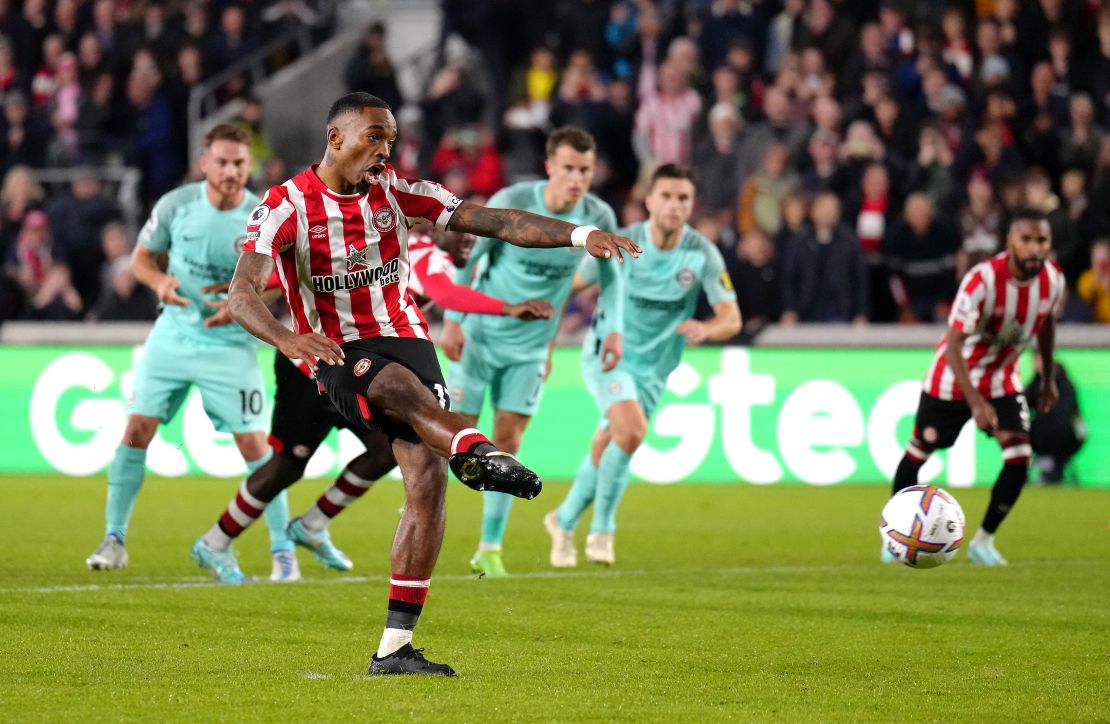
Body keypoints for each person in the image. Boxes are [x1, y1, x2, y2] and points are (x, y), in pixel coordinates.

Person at [218, 93, 639, 677]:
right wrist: (289, 341)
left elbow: (499, 221)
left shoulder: (398, 191)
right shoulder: (285, 205)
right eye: (373, 138)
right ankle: (477, 449)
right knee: (395, 390)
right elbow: (241, 294)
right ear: (335, 137)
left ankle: (394, 647)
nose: (384, 151)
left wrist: (579, 236)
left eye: (390, 139)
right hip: (336, 348)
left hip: (409, 338)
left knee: (426, 480)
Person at [192, 227, 554, 575]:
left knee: (386, 450)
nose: (468, 242)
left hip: (359, 370)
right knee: (288, 465)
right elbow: (446, 296)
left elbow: (318, 274)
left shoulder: (397, 246)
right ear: (435, 228)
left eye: (474, 238)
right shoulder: (426, 251)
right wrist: (509, 308)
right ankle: (215, 542)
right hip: (311, 368)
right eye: (462, 232)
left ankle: (313, 526)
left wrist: (259, 290)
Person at [85, 124, 303, 581]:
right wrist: (160, 281)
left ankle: (284, 550)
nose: (230, 171)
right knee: (136, 429)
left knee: (255, 446)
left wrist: (243, 306)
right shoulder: (175, 205)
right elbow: (141, 259)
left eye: (239, 163)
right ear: (204, 163)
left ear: (249, 166)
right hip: (174, 334)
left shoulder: (266, 214)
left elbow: (287, 281)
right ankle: (114, 538)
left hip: (232, 344)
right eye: (222, 162)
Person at [438, 126, 623, 578]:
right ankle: (422, 521)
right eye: (568, 168)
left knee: (508, 444)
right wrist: (455, 320)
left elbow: (612, 277)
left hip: (531, 348)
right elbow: (474, 260)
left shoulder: (598, 215)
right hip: (480, 335)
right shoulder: (516, 197)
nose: (576, 178)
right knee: (447, 438)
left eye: (585, 169)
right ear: (549, 167)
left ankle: (490, 547)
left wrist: (613, 330)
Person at [546, 164, 741, 567]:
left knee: (608, 444)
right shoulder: (621, 243)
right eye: (666, 196)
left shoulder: (701, 252)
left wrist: (707, 329)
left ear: (691, 205)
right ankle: (602, 531)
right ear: (649, 201)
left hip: (656, 368)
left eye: (683, 198)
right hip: (608, 355)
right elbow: (569, 286)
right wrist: (546, 341)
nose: (674, 205)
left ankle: (562, 520)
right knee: (632, 431)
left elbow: (731, 318)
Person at [888, 209, 1065, 567]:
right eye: (1026, 240)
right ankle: (895, 535)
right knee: (918, 453)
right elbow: (954, 346)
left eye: (1041, 241)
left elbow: (1045, 325)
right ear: (1010, 242)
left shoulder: (1053, 280)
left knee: (1019, 458)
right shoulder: (982, 280)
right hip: (953, 379)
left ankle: (984, 541)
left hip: (1002, 378)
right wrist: (976, 404)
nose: (1034, 249)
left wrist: (1048, 380)